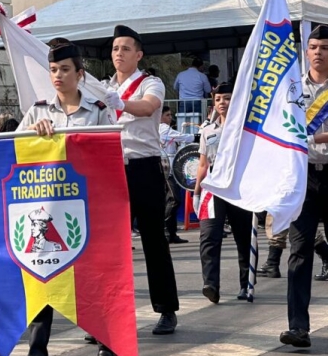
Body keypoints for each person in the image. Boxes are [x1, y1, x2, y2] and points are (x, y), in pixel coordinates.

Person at [14, 40, 114, 356]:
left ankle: (106, 339)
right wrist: (32, 134)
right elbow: (13, 155)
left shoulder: (98, 112)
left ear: (80, 74)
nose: (58, 75)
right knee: (42, 273)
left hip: (86, 209)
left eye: (65, 70)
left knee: (94, 278)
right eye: (54, 70)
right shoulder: (37, 111)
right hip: (46, 209)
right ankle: (37, 347)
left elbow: (114, 157)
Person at [101, 25, 179, 336]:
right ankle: (108, 315)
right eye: (115, 48)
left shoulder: (151, 83)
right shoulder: (104, 87)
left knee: (153, 239)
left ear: (139, 54)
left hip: (143, 168)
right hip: (109, 171)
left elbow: (148, 108)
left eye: (125, 49)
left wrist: (117, 103)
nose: (119, 53)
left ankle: (166, 309)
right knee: (109, 246)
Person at [279, 25, 328, 348]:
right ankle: (298, 327)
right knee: (299, 252)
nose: (318, 52)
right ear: (305, 51)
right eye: (313, 47)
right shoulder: (293, 88)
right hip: (304, 176)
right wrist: (315, 137)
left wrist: (308, 138)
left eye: (324, 47)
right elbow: (283, 129)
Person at [192, 83, 254, 303]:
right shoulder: (208, 130)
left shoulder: (245, 127)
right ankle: (211, 284)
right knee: (208, 237)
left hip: (238, 187)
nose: (222, 103)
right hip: (213, 188)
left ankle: (246, 283)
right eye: (218, 99)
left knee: (243, 237)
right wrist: (196, 193)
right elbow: (202, 163)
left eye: (226, 98)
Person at [159, 106, 194, 244]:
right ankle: (166, 230)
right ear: (160, 116)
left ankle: (171, 233)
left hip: (171, 167)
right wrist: (198, 135)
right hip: (166, 168)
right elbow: (181, 137)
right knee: (174, 199)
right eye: (167, 115)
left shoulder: (166, 129)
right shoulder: (162, 128)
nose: (170, 118)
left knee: (171, 199)